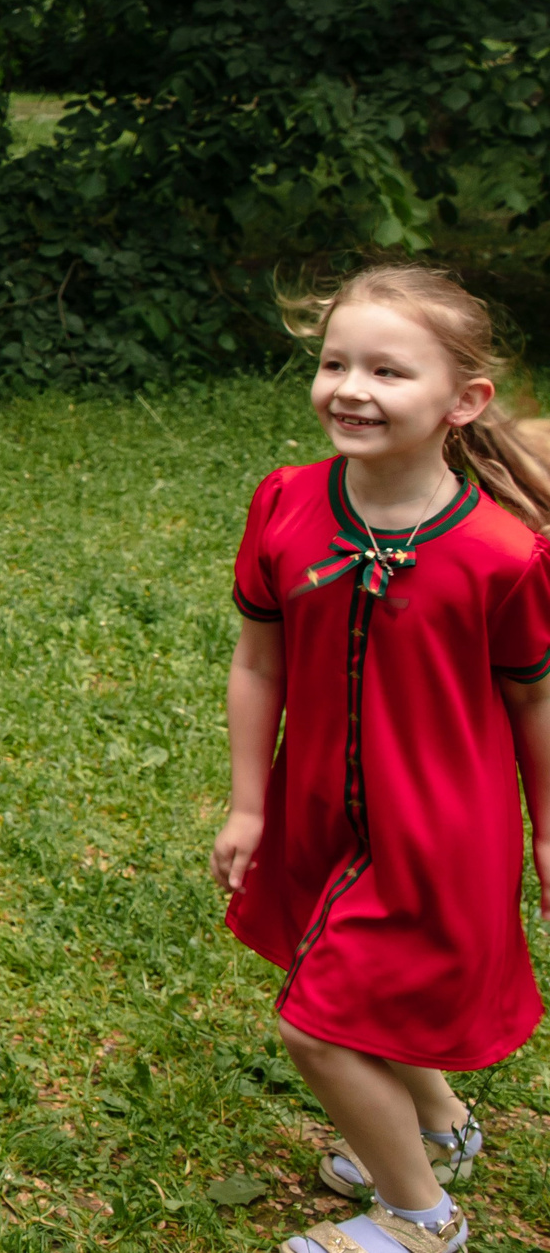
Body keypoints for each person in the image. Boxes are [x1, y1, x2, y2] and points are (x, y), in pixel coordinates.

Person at [210, 265, 550, 1253]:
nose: (351, 388)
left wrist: (546, 834)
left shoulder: (502, 556)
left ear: (462, 402)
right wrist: (246, 806)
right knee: (364, 982)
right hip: (321, 806)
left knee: (317, 1025)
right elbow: (256, 660)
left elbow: (534, 702)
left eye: (388, 372)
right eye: (333, 363)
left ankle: (420, 1216)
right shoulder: (284, 503)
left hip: (439, 831)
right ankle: (438, 1129)